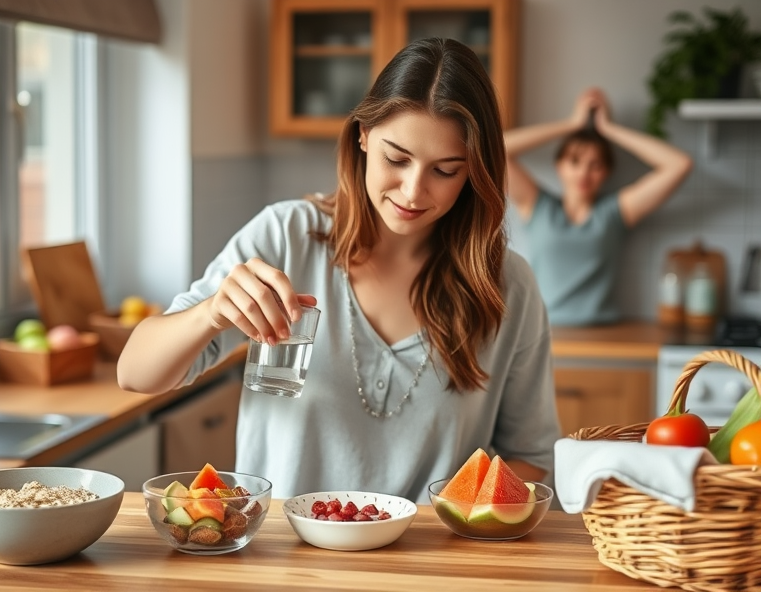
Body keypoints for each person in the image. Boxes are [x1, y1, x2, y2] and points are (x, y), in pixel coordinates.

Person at [117, 38, 560, 504]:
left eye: (445, 170)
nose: (413, 191)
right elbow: (134, 373)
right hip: (282, 565)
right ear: (362, 136)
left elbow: (529, 456)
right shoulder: (285, 237)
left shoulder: (509, 286)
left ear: (473, 173)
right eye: (397, 159)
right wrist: (209, 312)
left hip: (424, 569)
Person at [504, 88, 693, 326]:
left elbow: (680, 165)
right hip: (542, 332)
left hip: (603, 333)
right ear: (559, 165)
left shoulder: (615, 212)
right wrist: (570, 124)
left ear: (607, 171)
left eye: (595, 165)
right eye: (575, 161)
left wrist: (609, 130)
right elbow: (495, 148)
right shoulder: (537, 205)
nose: (584, 172)